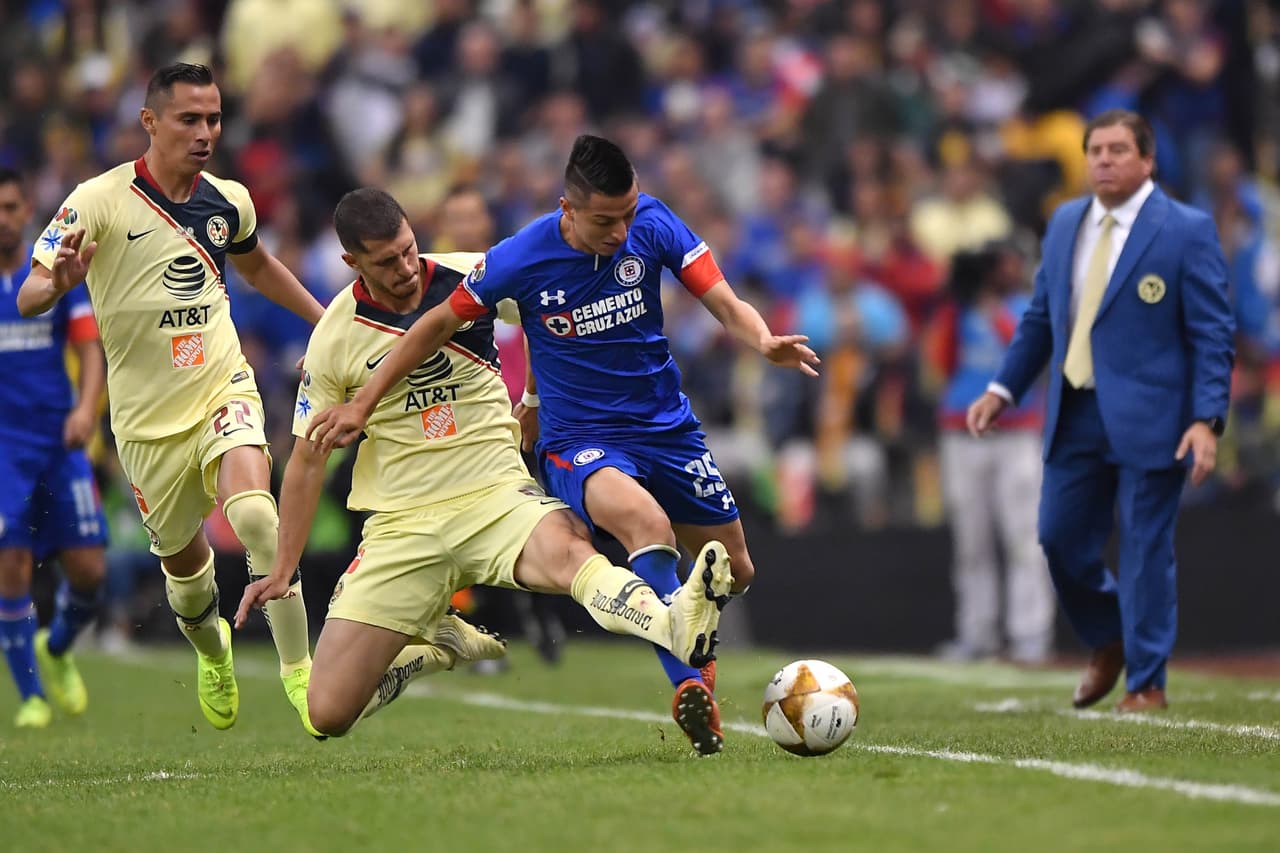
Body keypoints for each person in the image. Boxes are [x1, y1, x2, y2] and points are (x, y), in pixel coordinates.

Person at [306, 136, 819, 752]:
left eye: (628, 214)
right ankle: (691, 687)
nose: (622, 231)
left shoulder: (653, 223)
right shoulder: (520, 257)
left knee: (735, 572)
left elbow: (722, 298)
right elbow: (435, 323)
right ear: (567, 209)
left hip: (667, 426)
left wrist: (762, 341)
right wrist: (363, 403)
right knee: (644, 524)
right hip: (579, 438)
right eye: (606, 220)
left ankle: (690, 655)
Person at [235, 188, 732, 750]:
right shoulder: (334, 337)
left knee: (572, 555)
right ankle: (443, 643)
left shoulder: (472, 275)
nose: (403, 269)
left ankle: (674, 621)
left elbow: (552, 315)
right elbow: (306, 461)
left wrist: (537, 400)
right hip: (402, 525)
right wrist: (283, 568)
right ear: (352, 262)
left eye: (406, 250)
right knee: (325, 714)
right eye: (384, 262)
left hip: (497, 496)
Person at [17, 63, 325, 734]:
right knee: (188, 577)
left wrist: (323, 319)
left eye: (214, 118)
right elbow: (28, 292)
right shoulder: (96, 200)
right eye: (190, 119)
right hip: (146, 425)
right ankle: (211, 648)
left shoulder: (229, 200)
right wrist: (61, 279)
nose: (206, 132)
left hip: (220, 383)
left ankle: (302, 675)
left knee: (256, 517)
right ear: (150, 122)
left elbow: (258, 265)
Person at [966, 110, 1234, 712]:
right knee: (1058, 538)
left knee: (1144, 548)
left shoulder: (1185, 229)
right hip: (1075, 407)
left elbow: (1213, 332)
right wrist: (1002, 388)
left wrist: (1205, 418)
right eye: (1095, 150)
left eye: (1117, 149)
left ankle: (1146, 682)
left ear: (1148, 160)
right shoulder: (1064, 223)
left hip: (1156, 417)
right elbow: (1040, 317)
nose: (1104, 160)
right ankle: (1109, 636)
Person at [0, 168, 108, 728]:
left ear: (26, 212)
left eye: (11, 206)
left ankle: (59, 646)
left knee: (89, 568)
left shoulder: (54, 274)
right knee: (10, 562)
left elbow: (91, 349)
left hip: (59, 436)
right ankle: (32, 697)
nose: (3, 217)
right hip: (4, 449)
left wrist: (87, 410)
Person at [927, 243, 1055, 664]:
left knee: (1023, 537)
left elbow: (1029, 355)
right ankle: (976, 633)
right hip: (963, 435)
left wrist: (990, 310)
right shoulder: (957, 311)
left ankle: (1029, 634)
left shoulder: (1024, 308)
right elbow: (941, 361)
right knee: (971, 541)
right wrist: (955, 302)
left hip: (1015, 434)